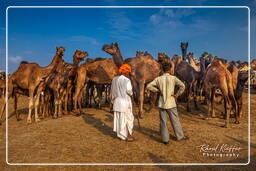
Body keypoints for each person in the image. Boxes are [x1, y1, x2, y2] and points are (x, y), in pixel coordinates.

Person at [146, 62, 189, 145]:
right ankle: (180, 136)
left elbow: (148, 86)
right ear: (170, 69)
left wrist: (158, 91)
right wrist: (177, 94)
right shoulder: (173, 78)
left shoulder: (158, 79)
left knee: (163, 121)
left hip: (162, 103)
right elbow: (182, 86)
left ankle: (165, 139)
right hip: (171, 102)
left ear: (163, 69)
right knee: (175, 120)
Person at [111, 64, 135, 142]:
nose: (128, 73)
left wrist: (113, 101)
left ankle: (121, 135)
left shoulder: (114, 79)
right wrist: (132, 93)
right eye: (128, 71)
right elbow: (129, 91)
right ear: (125, 71)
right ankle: (129, 135)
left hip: (117, 101)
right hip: (125, 102)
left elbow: (113, 92)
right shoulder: (127, 80)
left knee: (119, 118)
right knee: (128, 118)